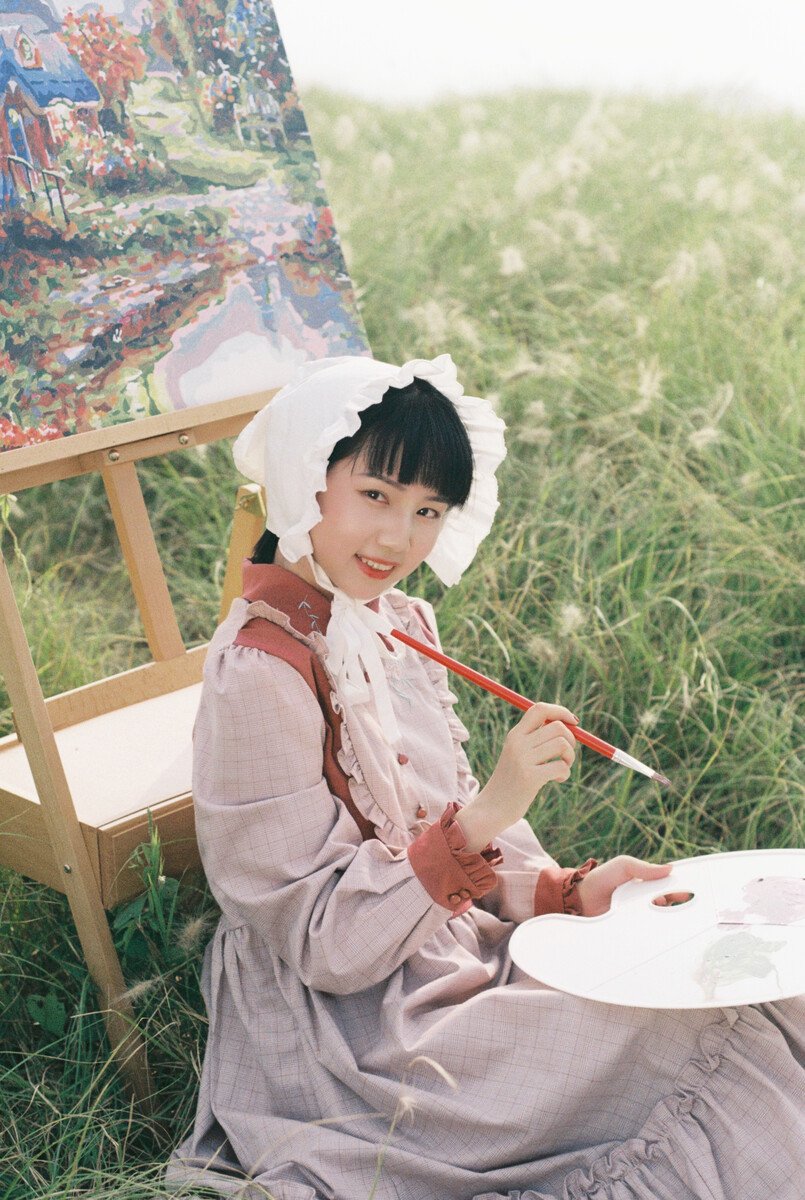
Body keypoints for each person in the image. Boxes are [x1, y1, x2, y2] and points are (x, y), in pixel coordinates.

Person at [166, 354, 805, 1200]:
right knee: (697, 1042)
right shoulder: (259, 671)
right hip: (355, 1029)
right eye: (375, 495)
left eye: (427, 511)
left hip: (449, 950)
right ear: (302, 479)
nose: (397, 538)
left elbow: (445, 841)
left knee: (744, 990)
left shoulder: (396, 623)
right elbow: (323, 944)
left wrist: (564, 890)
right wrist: (488, 810)